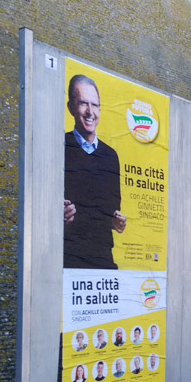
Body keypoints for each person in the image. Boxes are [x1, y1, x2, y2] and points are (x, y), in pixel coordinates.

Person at [63, 74, 125, 269]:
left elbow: (112, 208)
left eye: (95, 105)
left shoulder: (111, 155)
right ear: (71, 107)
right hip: (68, 260)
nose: (90, 111)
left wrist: (117, 221)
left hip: (103, 258)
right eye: (83, 103)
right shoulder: (59, 146)